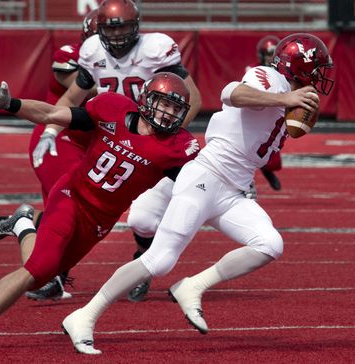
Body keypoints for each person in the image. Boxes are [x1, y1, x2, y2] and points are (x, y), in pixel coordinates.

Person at [56, 33, 334, 355]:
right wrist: (285, 101)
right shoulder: (270, 78)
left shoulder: (293, 92)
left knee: (270, 244)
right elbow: (232, 92)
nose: (319, 77)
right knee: (159, 260)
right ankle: (83, 316)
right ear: (301, 67)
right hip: (205, 176)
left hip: (234, 189)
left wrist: (293, 105)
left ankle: (193, 286)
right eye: (317, 69)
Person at [0, 72, 200, 352]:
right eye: (164, 104)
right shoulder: (112, 109)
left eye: (175, 108)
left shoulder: (178, 148)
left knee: (47, 277)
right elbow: (52, 114)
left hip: (99, 221)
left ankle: (23, 224)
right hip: (72, 195)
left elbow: (200, 186)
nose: (168, 113)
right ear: (146, 100)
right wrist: (10, 103)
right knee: (39, 267)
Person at [30, 0, 202, 302]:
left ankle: (142, 263)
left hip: (153, 143)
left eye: (123, 26)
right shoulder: (93, 50)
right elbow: (73, 96)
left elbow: (194, 100)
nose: (118, 34)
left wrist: (167, 135)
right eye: (111, 27)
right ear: (100, 29)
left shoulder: (156, 48)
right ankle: (49, 267)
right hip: (108, 135)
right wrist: (50, 130)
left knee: (144, 220)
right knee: (75, 199)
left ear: (136, 26)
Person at [0, 10, 99, 301]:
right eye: (107, 34)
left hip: (85, 142)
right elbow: (81, 91)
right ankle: (46, 272)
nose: (114, 40)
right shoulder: (73, 56)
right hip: (58, 137)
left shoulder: (124, 61)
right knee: (74, 208)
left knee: (67, 212)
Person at [246, 35, 282, 192]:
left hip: (275, 110)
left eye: (274, 55)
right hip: (256, 109)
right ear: (261, 55)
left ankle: (267, 169)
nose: (271, 58)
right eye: (268, 54)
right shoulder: (253, 70)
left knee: (272, 157)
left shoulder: (282, 69)